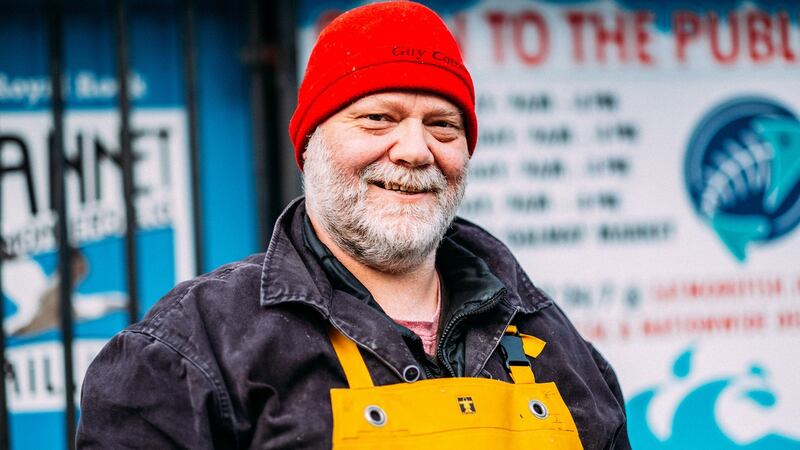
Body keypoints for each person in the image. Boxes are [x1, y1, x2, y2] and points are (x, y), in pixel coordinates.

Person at [77, 2, 630, 449]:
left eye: (443, 125)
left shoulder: (553, 340)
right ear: (310, 146)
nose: (415, 150)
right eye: (378, 119)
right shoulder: (191, 351)